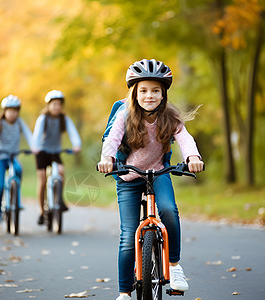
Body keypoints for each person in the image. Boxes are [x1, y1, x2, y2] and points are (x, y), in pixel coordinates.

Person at [97, 59, 205, 300]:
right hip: (128, 176)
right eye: (143, 90)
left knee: (168, 209)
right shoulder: (125, 113)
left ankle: (175, 267)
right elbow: (112, 139)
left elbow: (185, 138)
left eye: (155, 90)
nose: (149, 95)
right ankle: (124, 292)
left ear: (163, 93)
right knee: (127, 237)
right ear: (134, 93)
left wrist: (193, 157)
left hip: (158, 173)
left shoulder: (169, 116)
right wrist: (107, 158)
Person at [0, 95, 34, 224]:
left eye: (15, 111)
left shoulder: (19, 123)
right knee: (0, 185)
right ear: (4, 111)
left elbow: (29, 135)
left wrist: (34, 148)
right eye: (10, 111)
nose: (12, 113)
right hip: (0, 157)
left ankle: (16, 197)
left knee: (18, 169)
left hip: (13, 156)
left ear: (18, 112)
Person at [33, 90, 81, 225]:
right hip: (42, 152)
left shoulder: (64, 119)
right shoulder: (43, 118)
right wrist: (35, 147)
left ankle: (59, 198)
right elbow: (36, 135)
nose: (56, 107)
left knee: (60, 171)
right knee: (42, 179)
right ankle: (41, 211)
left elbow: (73, 133)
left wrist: (76, 145)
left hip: (55, 152)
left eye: (59, 104)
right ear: (48, 105)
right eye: (54, 104)